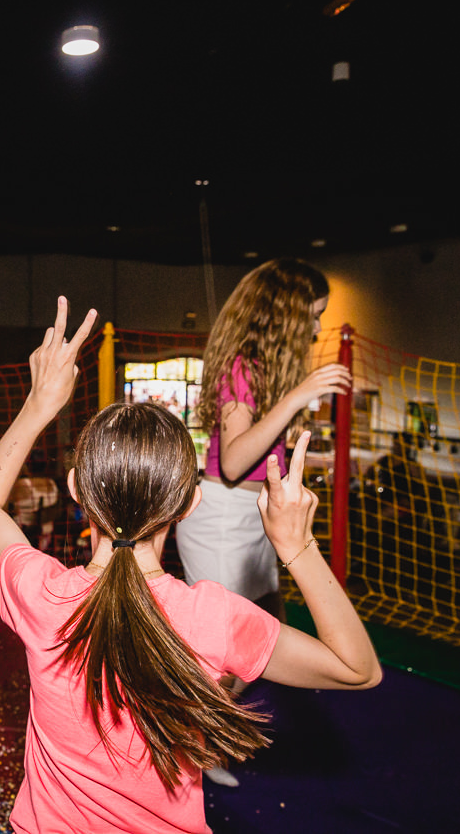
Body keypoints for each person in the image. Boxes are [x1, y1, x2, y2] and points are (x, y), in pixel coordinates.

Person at [0, 297, 381, 834]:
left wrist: (40, 403)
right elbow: (357, 670)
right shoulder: (214, 617)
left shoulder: (42, 594)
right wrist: (297, 546)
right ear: (189, 503)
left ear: (75, 490)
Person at [172, 258, 351, 786]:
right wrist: (298, 397)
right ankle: (192, 746)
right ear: (285, 315)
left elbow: (260, 452)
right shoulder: (242, 367)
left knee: (267, 627)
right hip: (222, 520)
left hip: (254, 517)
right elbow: (232, 462)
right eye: (312, 316)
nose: (316, 328)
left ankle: (197, 728)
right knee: (226, 651)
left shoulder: (266, 370)